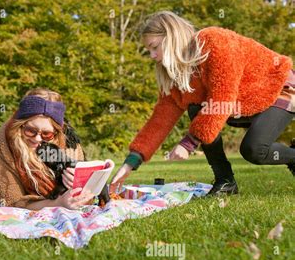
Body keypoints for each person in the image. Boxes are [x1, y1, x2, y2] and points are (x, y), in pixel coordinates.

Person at [110, 11, 295, 196]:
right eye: (149, 50)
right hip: (243, 102)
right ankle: (226, 181)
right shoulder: (176, 75)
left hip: (277, 86)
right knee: (195, 107)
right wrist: (130, 163)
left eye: (154, 47)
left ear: (172, 36)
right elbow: (159, 120)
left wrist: (188, 143)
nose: (152, 55)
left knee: (254, 150)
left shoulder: (214, 41)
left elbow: (222, 97)